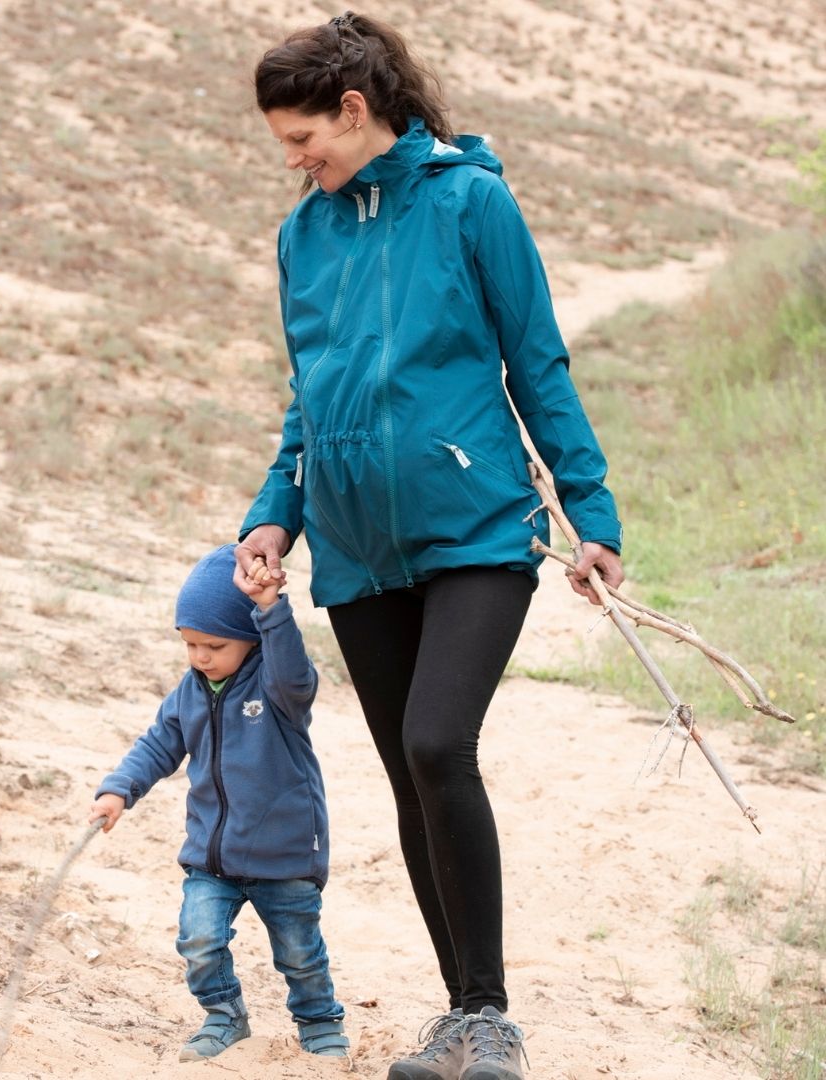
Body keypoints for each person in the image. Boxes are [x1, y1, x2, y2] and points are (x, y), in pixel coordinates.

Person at [233, 11, 625, 1080]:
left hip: (476, 530)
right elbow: (307, 403)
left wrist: (591, 516)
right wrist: (275, 516)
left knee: (439, 742)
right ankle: (461, 1020)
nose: (294, 160)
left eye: (301, 138)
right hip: (357, 548)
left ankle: (492, 1018)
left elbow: (537, 363)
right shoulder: (301, 234)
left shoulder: (469, 203)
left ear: (354, 109)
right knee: (411, 775)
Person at [87, 544, 349, 1063]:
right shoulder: (189, 691)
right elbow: (158, 745)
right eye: (189, 645)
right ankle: (225, 1016)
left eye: (213, 645)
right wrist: (119, 789)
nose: (200, 657)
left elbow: (296, 673)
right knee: (198, 942)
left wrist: (271, 609)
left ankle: (318, 1020)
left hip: (285, 855)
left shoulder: (279, 688)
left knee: (299, 954)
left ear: (251, 639)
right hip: (212, 856)